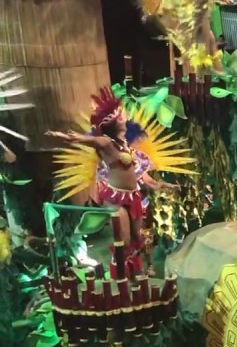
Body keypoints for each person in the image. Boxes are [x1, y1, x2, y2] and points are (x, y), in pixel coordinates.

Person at [45, 88, 187, 277]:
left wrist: (168, 186)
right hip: (115, 198)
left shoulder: (128, 148)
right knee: (125, 241)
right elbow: (83, 139)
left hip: (133, 196)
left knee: (138, 238)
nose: (124, 119)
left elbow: (145, 179)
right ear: (112, 124)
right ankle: (121, 276)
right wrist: (61, 136)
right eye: (120, 117)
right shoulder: (106, 143)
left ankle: (137, 272)